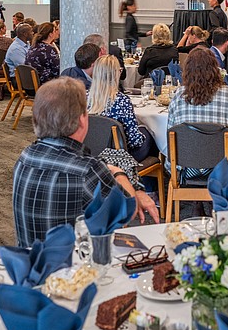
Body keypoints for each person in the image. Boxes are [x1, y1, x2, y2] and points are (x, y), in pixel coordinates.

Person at [12, 77, 158, 246]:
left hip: (30, 265)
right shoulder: (87, 170)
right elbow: (128, 210)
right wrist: (118, 172)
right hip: (74, 266)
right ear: (82, 120)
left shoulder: (25, 156)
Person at [167, 48, 228, 182]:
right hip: (221, 164)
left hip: (185, 164)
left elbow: (171, 132)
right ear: (215, 69)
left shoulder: (178, 95)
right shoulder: (227, 94)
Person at [87, 55, 156, 162]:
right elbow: (134, 141)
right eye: (119, 70)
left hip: (92, 153)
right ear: (115, 74)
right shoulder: (121, 100)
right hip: (119, 157)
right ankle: (148, 176)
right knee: (150, 134)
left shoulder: (84, 98)